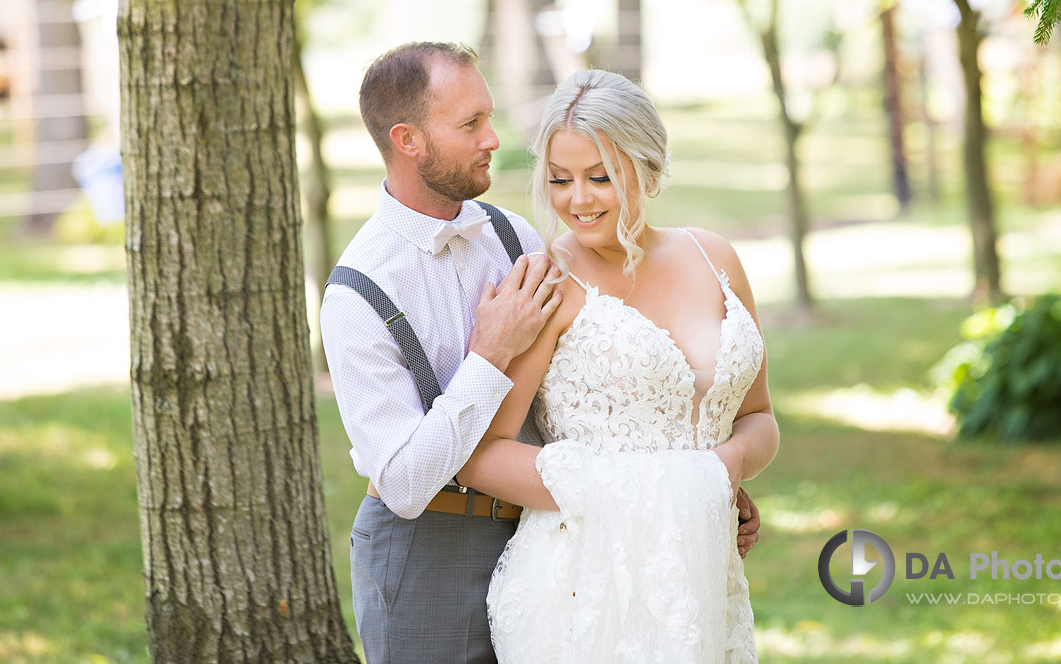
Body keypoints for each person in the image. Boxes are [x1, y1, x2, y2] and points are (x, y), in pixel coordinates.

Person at [321, 44, 764, 663]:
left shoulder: (514, 238)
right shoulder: (356, 295)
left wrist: (702, 480)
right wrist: (488, 356)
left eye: (490, 116)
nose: (494, 139)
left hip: (550, 535)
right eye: (471, 123)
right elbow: (402, 483)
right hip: (432, 551)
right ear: (409, 139)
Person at [458, 69, 779, 662]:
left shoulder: (716, 257)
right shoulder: (547, 281)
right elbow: (483, 453)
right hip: (588, 581)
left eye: (599, 177)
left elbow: (758, 417)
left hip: (703, 572)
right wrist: (646, 493)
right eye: (560, 179)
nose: (578, 200)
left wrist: (724, 470)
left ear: (650, 169)